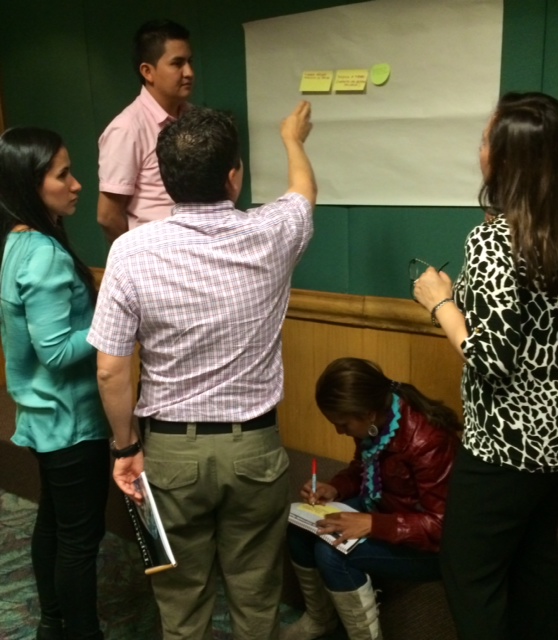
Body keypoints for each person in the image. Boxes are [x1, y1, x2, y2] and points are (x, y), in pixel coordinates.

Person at [87, 100, 316, 640]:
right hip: (255, 450)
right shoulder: (274, 232)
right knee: (257, 597)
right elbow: (304, 192)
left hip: (170, 455)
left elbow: (111, 371)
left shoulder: (130, 252)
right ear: (233, 176)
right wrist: (293, 138)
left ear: (167, 182)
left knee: (181, 605)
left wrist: (125, 447)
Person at [414, 91, 558, 640]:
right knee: (537, 577)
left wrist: (441, 304)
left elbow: (492, 360)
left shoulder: (497, 239)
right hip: (553, 452)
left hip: (503, 448)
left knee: (469, 577)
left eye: (485, 140)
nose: (479, 150)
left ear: (508, 159)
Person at [0, 127, 110, 640]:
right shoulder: (42, 253)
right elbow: (58, 351)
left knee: (54, 522)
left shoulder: (17, 242)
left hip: (45, 417)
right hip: (70, 420)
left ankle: (51, 623)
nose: (77, 184)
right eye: (63, 174)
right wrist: (114, 319)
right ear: (31, 182)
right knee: (79, 540)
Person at [282, 357, 460, 640]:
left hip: (433, 546)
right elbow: (364, 468)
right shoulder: (378, 418)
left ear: (368, 414)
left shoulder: (427, 441)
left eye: (343, 424)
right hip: (385, 509)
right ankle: (320, 619)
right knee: (300, 530)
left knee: (332, 553)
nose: (339, 431)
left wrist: (372, 524)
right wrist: (336, 488)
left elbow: (441, 526)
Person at [97, 19, 194, 242]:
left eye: (190, 61)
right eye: (177, 63)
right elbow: (108, 216)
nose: (188, 72)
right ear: (148, 72)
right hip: (156, 254)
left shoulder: (194, 118)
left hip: (196, 248)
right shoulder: (126, 129)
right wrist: (140, 254)